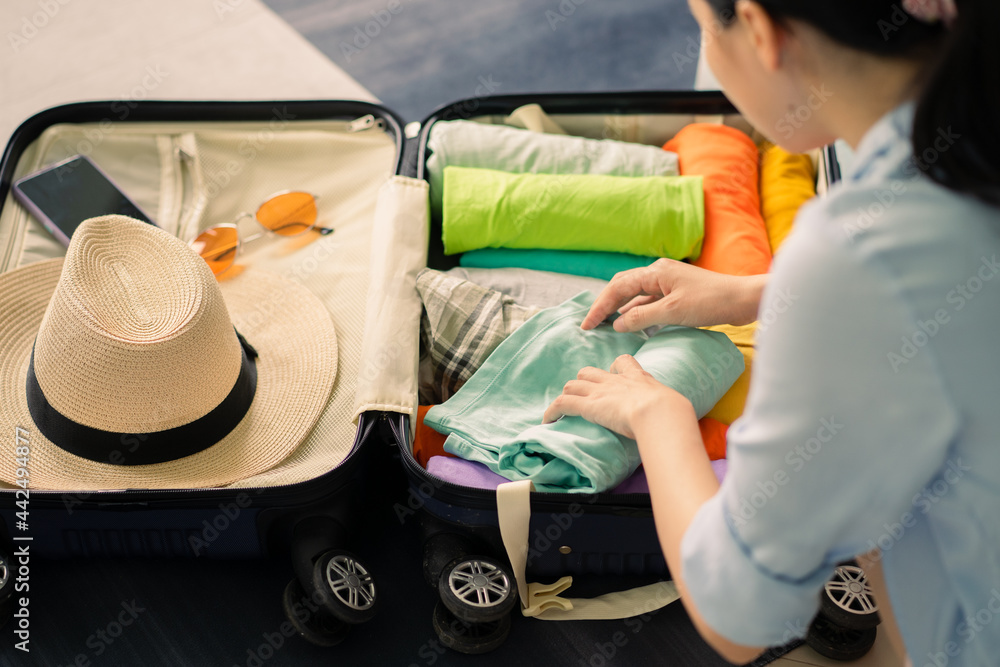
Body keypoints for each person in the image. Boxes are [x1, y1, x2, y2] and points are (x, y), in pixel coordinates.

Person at [542, 0, 1000, 664]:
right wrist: (758, 292)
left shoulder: (855, 256)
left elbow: (737, 611)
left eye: (703, 24)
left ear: (759, 31)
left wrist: (657, 412)